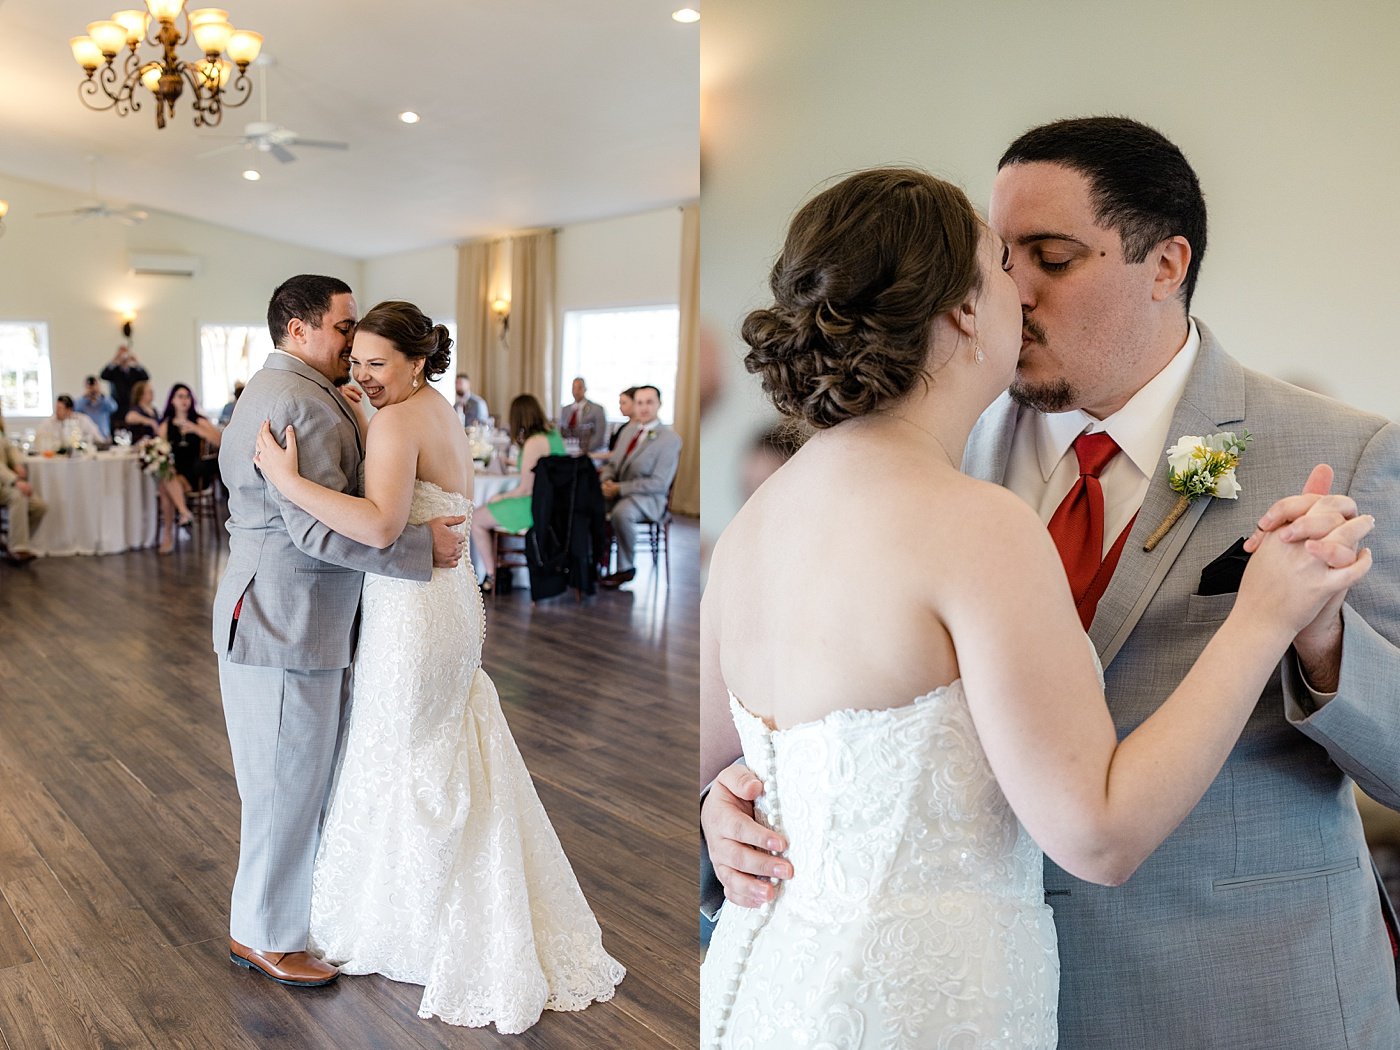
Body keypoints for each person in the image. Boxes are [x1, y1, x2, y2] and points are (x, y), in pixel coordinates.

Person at [704, 123, 1400, 1049]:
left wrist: (1323, 645)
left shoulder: (1343, 452)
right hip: (968, 1001)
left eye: (1053, 258)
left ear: (1165, 264)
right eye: (1002, 258)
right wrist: (726, 806)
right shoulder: (938, 465)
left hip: (1236, 999)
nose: (1020, 290)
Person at [252, 299, 624, 1030]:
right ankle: (455, 907)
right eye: (356, 362)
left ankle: (417, 924)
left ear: (417, 361)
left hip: (412, 609)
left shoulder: (398, 421)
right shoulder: (435, 411)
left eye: (377, 364)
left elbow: (381, 525)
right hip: (447, 601)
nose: (363, 377)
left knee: (405, 749)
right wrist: (365, 413)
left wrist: (288, 482)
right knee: (438, 743)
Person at [212, 275, 467, 992]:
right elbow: (314, 530)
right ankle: (265, 934)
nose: (353, 342)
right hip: (286, 620)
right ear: (298, 329)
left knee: (293, 779)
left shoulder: (295, 390)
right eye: (343, 327)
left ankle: (285, 920)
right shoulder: (296, 400)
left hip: (283, 613)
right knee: (284, 785)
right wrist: (420, 549)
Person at [468, 393, 566, 594]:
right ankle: (500, 573)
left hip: (535, 506)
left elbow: (526, 489)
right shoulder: (553, 436)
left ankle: (492, 575)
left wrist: (500, 497)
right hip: (557, 503)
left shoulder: (533, 442)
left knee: (476, 518)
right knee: (485, 513)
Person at [597, 385, 680, 588]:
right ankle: (595, 562)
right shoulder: (628, 431)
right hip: (618, 492)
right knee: (590, 505)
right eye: (640, 403)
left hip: (649, 498)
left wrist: (620, 488)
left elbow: (659, 483)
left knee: (621, 513)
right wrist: (607, 481)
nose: (644, 408)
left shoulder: (669, 439)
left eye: (649, 402)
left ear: (659, 404)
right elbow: (612, 465)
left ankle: (625, 568)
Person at [155, 383, 222, 553]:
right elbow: (158, 449)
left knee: (164, 485)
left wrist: (196, 429)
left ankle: (168, 536)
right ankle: (184, 512)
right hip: (175, 472)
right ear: (172, 401)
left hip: (196, 474)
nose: (184, 400)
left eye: (187, 396)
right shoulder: (166, 424)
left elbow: (220, 440)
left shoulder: (198, 420)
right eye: (180, 396)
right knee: (167, 479)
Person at [0, 405, 46, 563]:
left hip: (5, 484)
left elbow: (10, 449)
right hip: (5, 483)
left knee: (39, 507)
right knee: (18, 496)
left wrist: (18, 463)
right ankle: (18, 549)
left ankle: (13, 540)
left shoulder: (1, 431)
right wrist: (16, 480)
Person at [100, 344, 149, 425]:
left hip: (132, 404)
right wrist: (114, 360)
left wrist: (136, 362)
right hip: (117, 405)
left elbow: (145, 377)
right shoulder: (114, 371)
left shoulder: (134, 371)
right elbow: (103, 375)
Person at [560, 376, 608, 452]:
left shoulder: (597, 409)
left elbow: (599, 436)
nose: (576, 391)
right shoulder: (565, 410)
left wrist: (584, 450)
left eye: (579, 388)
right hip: (567, 450)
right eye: (574, 388)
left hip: (588, 450)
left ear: (585, 389)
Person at [34, 395, 102, 449]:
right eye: (56, 408)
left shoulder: (83, 420)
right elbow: (38, 439)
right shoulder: (48, 423)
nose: (56, 411)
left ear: (69, 410)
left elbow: (97, 438)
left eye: (59, 408)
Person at [75, 376, 117, 441]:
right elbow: (75, 409)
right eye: (89, 386)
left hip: (104, 436)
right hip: (88, 437)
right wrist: (85, 397)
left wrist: (101, 395)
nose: (92, 388)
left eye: (95, 385)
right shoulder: (82, 402)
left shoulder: (104, 401)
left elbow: (114, 407)